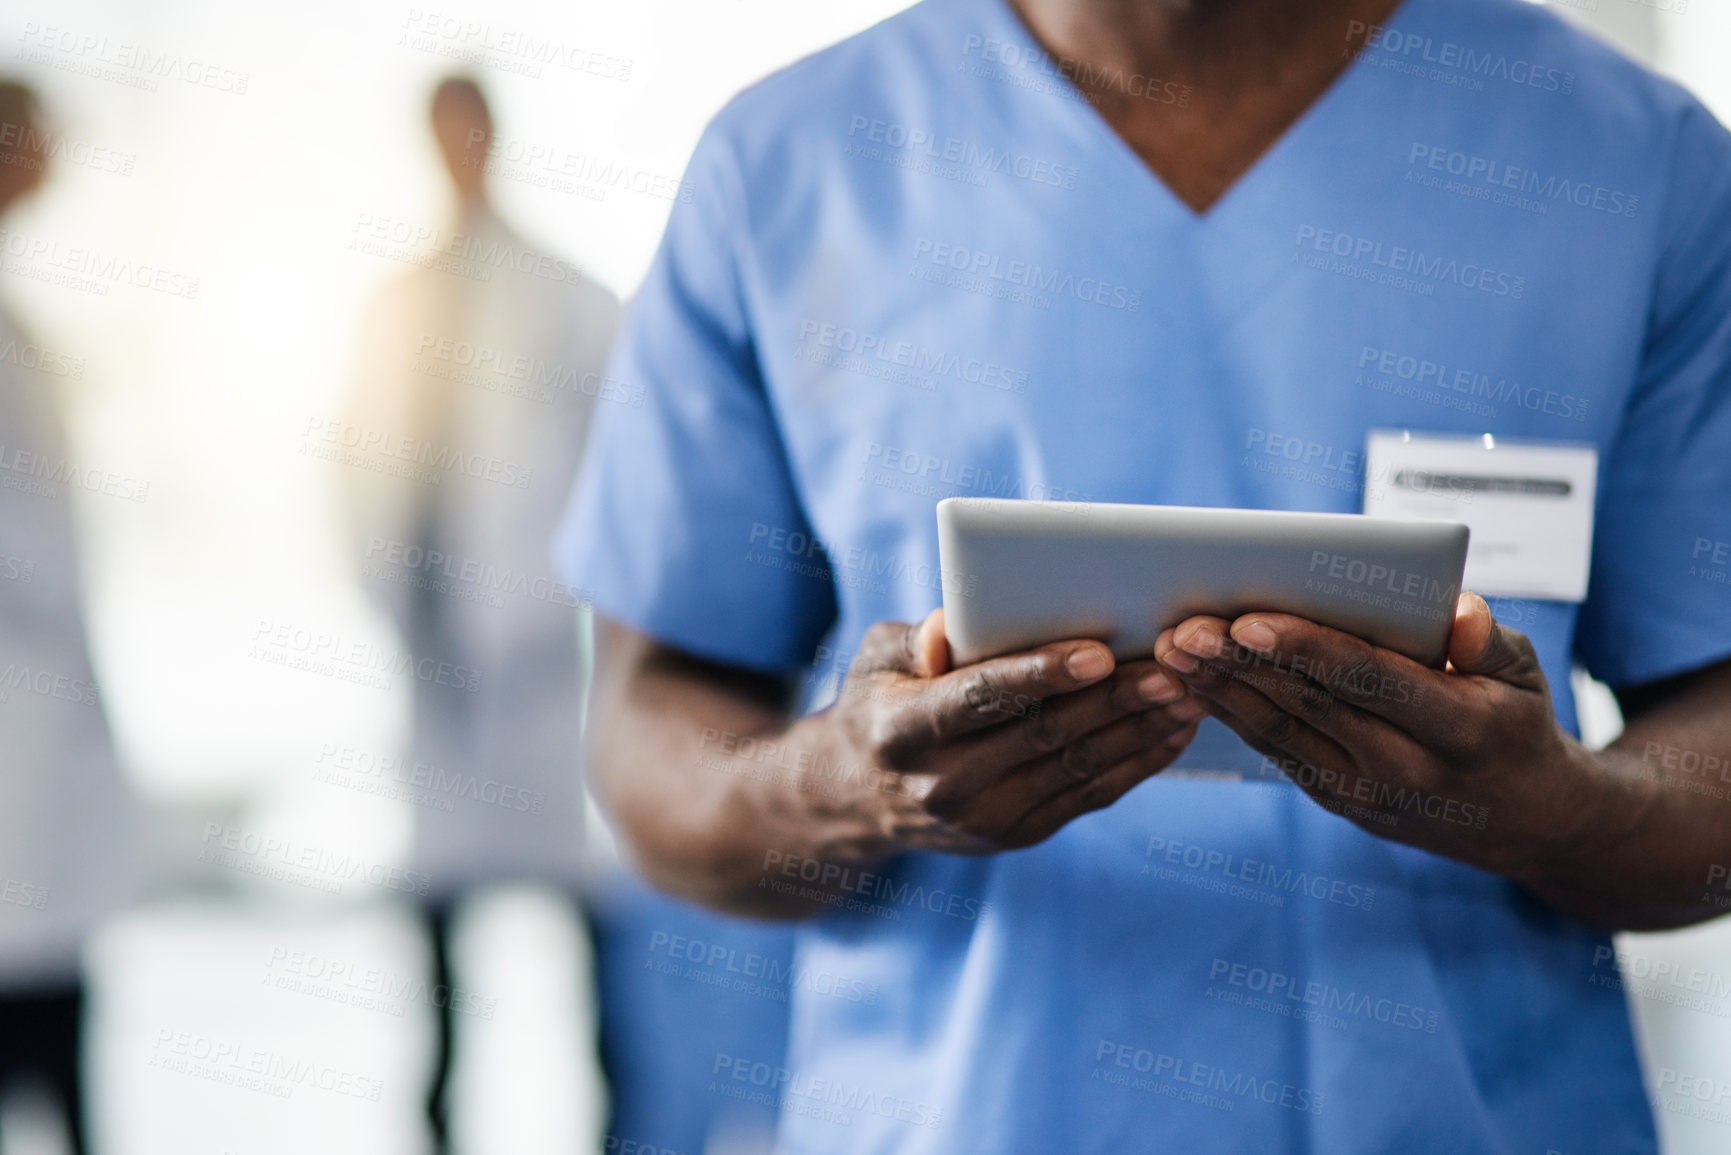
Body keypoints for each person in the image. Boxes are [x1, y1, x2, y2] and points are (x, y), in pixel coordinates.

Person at [554, 0, 1731, 1149]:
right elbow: (650, 727)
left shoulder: (1634, 166)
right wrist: (850, 783)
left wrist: (1561, 814)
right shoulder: (792, 166)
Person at [341, 76, 619, 1153]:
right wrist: (392, 603)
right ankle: (440, 1128)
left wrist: (548, 607)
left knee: (582, 922)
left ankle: (613, 1118)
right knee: (439, 937)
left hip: (546, 664)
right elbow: (358, 477)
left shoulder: (570, 298)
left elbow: (618, 482)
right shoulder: (393, 305)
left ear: (494, 136)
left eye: (471, 127)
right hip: (435, 656)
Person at [0, 79, 142, 1155]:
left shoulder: (24, 332)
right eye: (39, 142)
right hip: (19, 752)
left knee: (61, 1038)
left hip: (40, 761)